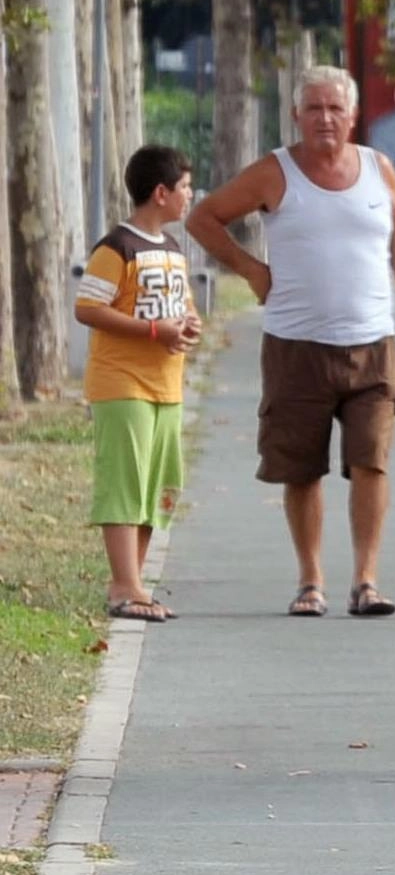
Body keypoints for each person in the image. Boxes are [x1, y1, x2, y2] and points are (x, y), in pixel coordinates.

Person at [187, 65, 395, 619]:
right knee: (301, 467)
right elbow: (203, 218)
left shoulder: (379, 170)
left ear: (353, 116)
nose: (326, 118)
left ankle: (366, 581)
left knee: (371, 460)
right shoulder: (274, 173)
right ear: (297, 116)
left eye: (336, 108)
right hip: (295, 345)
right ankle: (310, 581)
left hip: (373, 343)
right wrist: (251, 269)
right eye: (314, 108)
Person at [75, 145, 203, 623]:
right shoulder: (117, 248)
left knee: (158, 487)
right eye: (186, 187)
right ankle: (124, 589)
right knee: (124, 484)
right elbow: (88, 308)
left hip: (166, 386)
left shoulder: (171, 249)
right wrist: (153, 331)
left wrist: (187, 325)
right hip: (121, 383)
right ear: (161, 192)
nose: (190, 196)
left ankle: (133, 581)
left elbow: (182, 305)